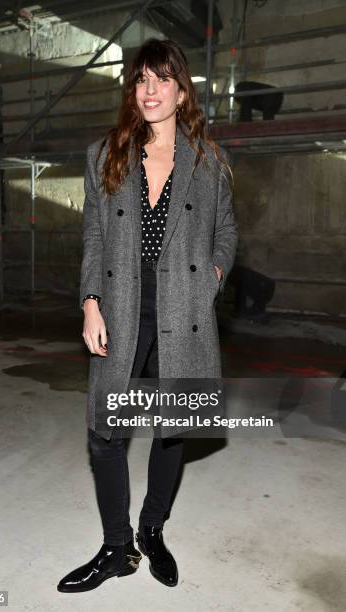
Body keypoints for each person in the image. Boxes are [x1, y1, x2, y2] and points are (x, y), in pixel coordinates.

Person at [57, 37, 238, 593]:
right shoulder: (104, 154)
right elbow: (93, 233)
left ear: (182, 91)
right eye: (141, 80)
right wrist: (90, 301)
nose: (151, 89)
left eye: (162, 79)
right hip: (121, 305)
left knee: (172, 426)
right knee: (105, 430)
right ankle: (117, 548)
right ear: (132, 90)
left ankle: (152, 530)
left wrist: (211, 277)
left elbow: (227, 232)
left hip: (184, 309)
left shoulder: (209, 161)